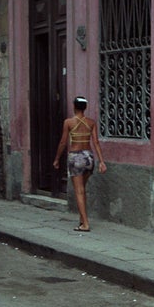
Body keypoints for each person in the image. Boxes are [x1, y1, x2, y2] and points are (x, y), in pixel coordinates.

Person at [53, 96, 106, 231]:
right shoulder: (91, 122)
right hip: (89, 158)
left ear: (74, 107)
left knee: (79, 191)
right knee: (82, 189)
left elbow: (63, 142)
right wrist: (101, 161)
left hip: (76, 158)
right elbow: (96, 142)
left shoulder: (68, 122)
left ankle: (85, 224)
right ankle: (82, 220)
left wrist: (57, 158)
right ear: (85, 108)